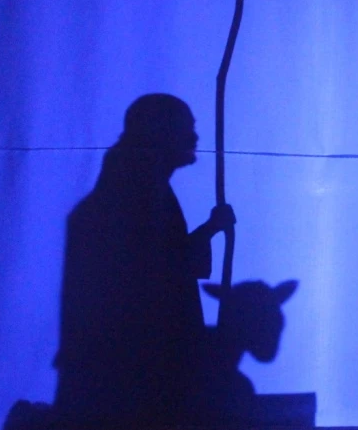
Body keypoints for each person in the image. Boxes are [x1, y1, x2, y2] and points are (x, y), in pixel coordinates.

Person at [53, 93, 234, 425]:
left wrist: (209, 229)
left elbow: (163, 259)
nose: (194, 137)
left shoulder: (136, 189)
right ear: (159, 132)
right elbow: (154, 274)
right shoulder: (135, 195)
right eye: (185, 128)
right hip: (140, 369)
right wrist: (209, 231)